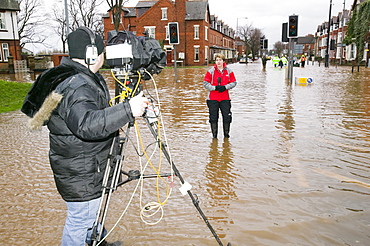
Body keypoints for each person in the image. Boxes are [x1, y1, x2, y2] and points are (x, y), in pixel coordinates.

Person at [21, 27, 149, 246]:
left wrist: (121, 109)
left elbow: (90, 115)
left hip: (81, 168)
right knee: (80, 220)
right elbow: (87, 124)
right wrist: (128, 110)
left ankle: (97, 239)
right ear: (91, 54)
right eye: (101, 52)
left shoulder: (72, 78)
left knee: (88, 216)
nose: (104, 57)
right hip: (82, 172)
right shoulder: (78, 85)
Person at [203, 53, 237, 138]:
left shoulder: (229, 71)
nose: (218, 62)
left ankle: (226, 135)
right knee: (213, 118)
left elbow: (234, 82)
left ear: (223, 61)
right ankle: (214, 136)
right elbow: (205, 84)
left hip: (225, 98)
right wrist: (215, 88)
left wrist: (225, 87)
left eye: (220, 60)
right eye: (217, 60)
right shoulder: (210, 71)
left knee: (227, 116)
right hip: (212, 98)